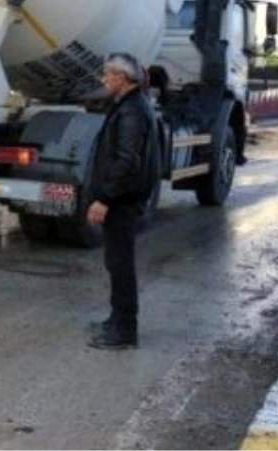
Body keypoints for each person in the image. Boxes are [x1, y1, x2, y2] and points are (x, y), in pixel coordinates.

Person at [85, 52, 161, 350]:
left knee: (120, 264)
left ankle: (125, 332)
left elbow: (127, 160)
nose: (103, 79)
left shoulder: (131, 111)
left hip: (122, 199)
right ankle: (116, 320)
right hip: (122, 197)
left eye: (107, 74)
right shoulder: (129, 105)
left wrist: (103, 198)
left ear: (121, 77)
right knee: (116, 262)